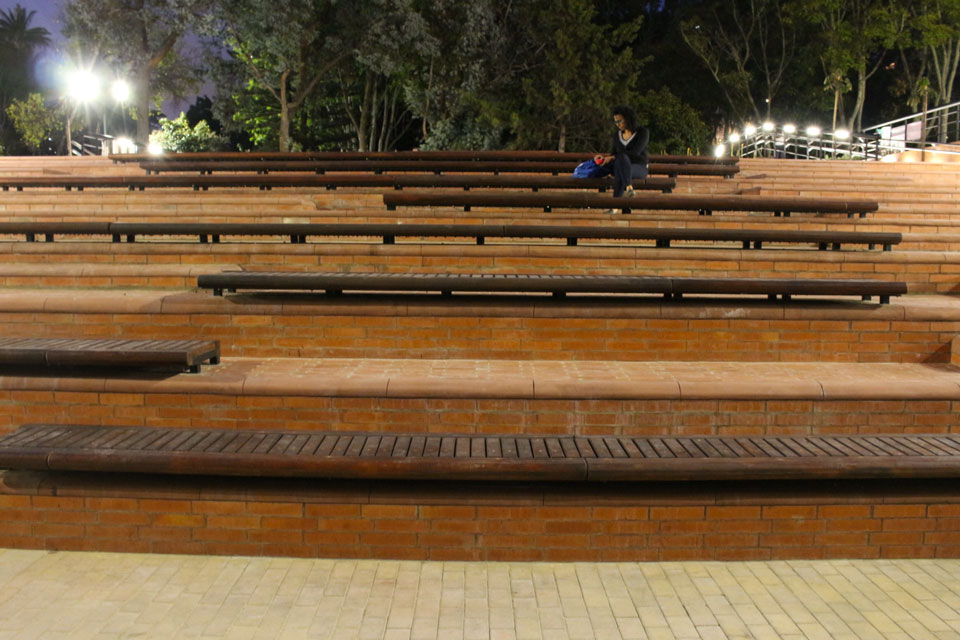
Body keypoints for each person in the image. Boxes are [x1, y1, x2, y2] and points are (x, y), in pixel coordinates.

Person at [594, 106, 649, 213]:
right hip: (621, 167)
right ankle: (629, 188)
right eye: (615, 122)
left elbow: (635, 153)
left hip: (638, 167)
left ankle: (615, 207)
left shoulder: (642, 132)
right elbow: (613, 153)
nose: (617, 124)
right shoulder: (617, 135)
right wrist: (604, 159)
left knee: (621, 159)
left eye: (620, 121)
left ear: (627, 119)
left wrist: (614, 157)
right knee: (620, 162)